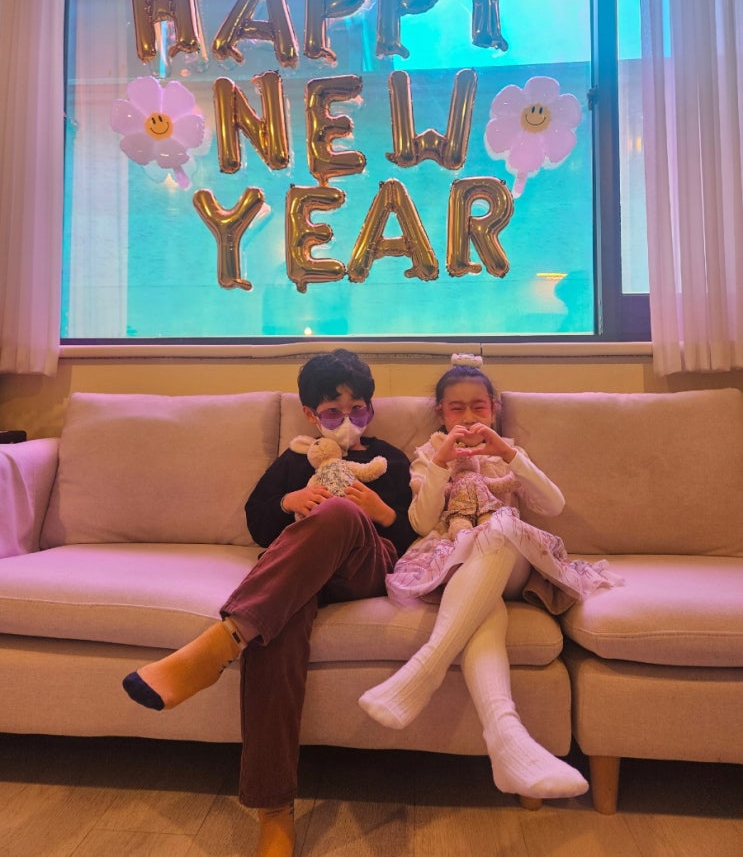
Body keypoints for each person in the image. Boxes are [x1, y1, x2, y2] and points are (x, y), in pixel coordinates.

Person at [122, 349, 415, 857]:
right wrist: (289, 502)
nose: (348, 420)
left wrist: (382, 511)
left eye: (359, 409)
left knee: (342, 513)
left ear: (372, 408)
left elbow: (423, 533)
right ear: (310, 415)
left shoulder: (389, 459)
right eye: (333, 412)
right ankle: (273, 810)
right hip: (296, 577)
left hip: (365, 567)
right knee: (272, 629)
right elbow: (257, 518)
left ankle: (218, 643)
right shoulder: (295, 461)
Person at [358, 354, 621, 801]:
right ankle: (506, 739)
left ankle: (425, 669)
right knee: (485, 610)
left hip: (513, 560)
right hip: (455, 563)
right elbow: (421, 523)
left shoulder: (509, 452)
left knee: (498, 528)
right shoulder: (426, 457)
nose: (467, 417)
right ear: (440, 413)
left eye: (478, 406)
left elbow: (553, 505)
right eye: (455, 408)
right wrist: (440, 465)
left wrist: (509, 455)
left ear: (494, 408)